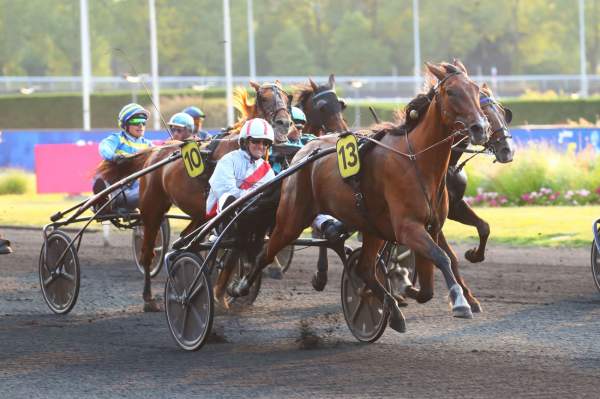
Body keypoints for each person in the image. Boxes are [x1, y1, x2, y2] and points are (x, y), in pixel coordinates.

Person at [206, 118, 276, 218]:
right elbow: (226, 191)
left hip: (252, 215)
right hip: (219, 216)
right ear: (245, 142)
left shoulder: (267, 170)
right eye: (256, 141)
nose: (261, 146)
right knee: (228, 198)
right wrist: (256, 199)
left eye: (265, 143)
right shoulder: (228, 160)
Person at [93, 103, 153, 211]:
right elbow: (104, 147)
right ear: (125, 125)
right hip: (117, 183)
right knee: (102, 174)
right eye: (136, 122)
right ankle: (104, 201)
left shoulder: (149, 145)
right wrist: (114, 157)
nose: (140, 126)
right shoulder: (117, 138)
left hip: (136, 186)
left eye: (143, 122)